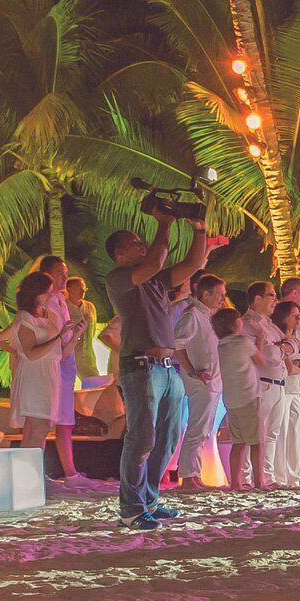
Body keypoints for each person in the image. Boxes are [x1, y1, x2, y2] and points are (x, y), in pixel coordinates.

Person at [105, 213, 219, 528]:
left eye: (143, 242)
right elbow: (155, 262)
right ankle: (131, 508)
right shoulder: (118, 278)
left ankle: (149, 502)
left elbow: (194, 264)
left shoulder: (154, 279)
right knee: (141, 438)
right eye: (134, 243)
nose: (142, 245)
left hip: (168, 367)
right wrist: (166, 223)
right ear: (119, 254)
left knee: (168, 438)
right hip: (140, 365)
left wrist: (199, 228)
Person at [0, 273, 74, 478]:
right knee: (37, 428)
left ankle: (28, 476)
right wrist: (57, 336)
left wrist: (74, 336)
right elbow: (30, 353)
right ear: (36, 294)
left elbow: (60, 353)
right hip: (34, 376)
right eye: (48, 292)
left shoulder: (49, 316)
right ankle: (29, 477)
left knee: (38, 429)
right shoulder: (25, 318)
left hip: (49, 374)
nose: (52, 296)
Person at [177, 274, 229, 488]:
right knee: (197, 427)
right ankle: (188, 476)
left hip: (214, 380)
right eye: (219, 294)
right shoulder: (193, 315)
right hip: (201, 380)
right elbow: (177, 343)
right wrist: (191, 371)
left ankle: (194, 474)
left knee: (204, 428)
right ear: (205, 293)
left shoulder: (209, 317)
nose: (222, 299)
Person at [259, 299, 300, 487]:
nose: (297, 320)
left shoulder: (293, 339)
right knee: (279, 434)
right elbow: (290, 367)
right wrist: (299, 365)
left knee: (292, 433)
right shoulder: (279, 336)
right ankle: (278, 475)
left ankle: (292, 475)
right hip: (282, 387)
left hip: (294, 389)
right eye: (294, 316)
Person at [213, 306, 264, 491]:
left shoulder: (220, 346)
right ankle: (259, 481)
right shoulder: (242, 342)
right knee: (257, 441)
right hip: (249, 396)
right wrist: (260, 339)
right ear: (236, 324)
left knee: (238, 442)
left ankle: (235, 482)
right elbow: (260, 360)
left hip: (231, 399)